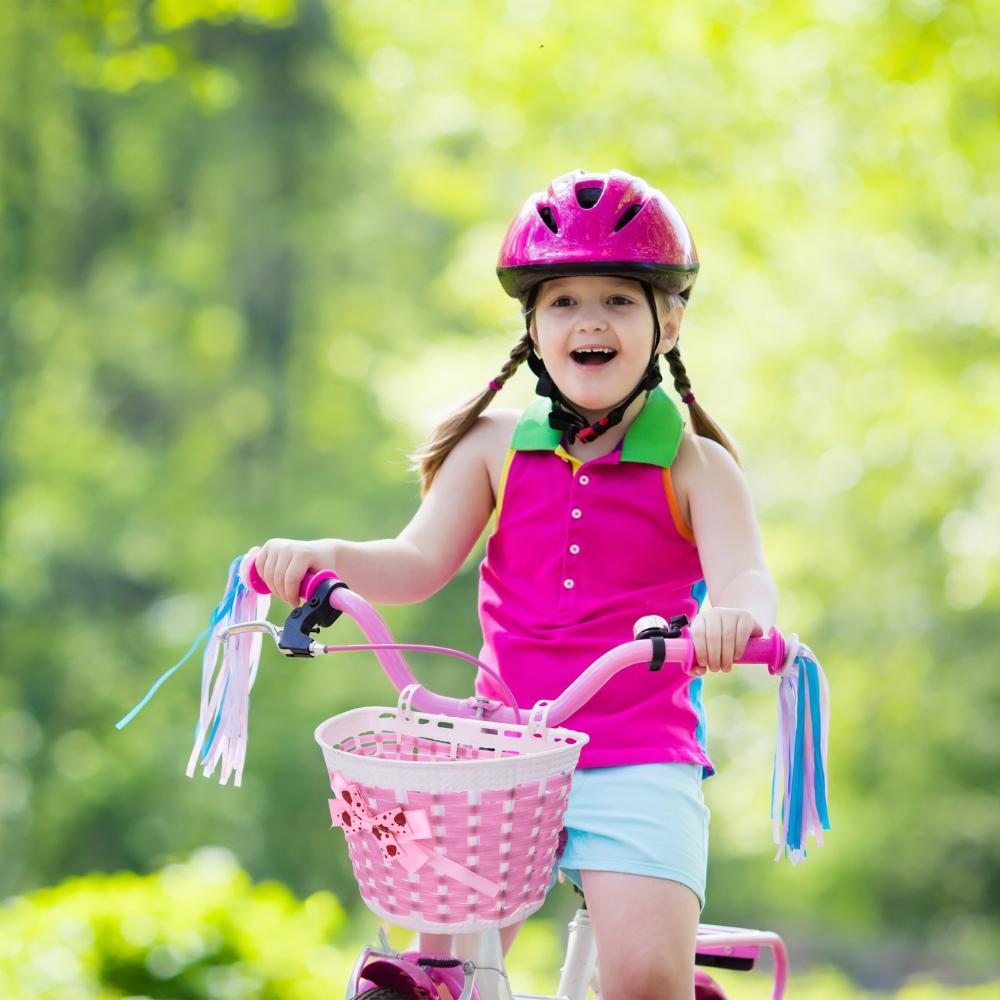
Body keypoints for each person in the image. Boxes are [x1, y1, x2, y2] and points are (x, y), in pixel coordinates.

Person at [254, 168, 777, 1000]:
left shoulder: (696, 465)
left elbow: (745, 573)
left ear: (668, 322)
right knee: (441, 974)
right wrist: (326, 556)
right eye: (563, 302)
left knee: (646, 980)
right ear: (532, 326)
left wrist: (738, 619)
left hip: (637, 751)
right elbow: (415, 562)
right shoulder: (495, 445)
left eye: (619, 300)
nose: (589, 321)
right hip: (499, 753)